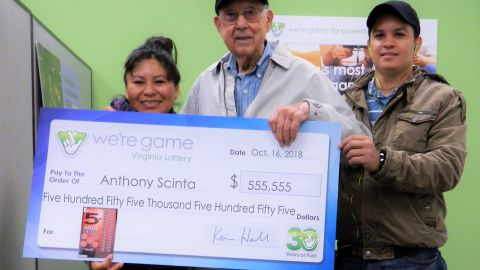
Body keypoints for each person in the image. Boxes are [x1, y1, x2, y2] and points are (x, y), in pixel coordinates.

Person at [337, 1, 467, 269]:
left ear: (416, 43)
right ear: (369, 44)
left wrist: (382, 161)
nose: (388, 42)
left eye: (399, 34)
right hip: (349, 257)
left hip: (412, 260)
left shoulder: (443, 98)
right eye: (379, 35)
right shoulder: (341, 103)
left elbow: (447, 168)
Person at [182, 0, 370, 146]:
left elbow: (358, 137)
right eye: (231, 15)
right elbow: (181, 141)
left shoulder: (307, 76)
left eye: (250, 13)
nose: (241, 24)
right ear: (219, 25)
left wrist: (312, 111)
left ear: (268, 20)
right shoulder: (205, 83)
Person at [91, 36, 192, 270]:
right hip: (121, 264)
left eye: (159, 81)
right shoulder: (104, 134)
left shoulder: (192, 139)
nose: (149, 91)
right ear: (127, 87)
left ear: (176, 89)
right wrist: (95, 257)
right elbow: (94, 198)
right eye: (138, 82)